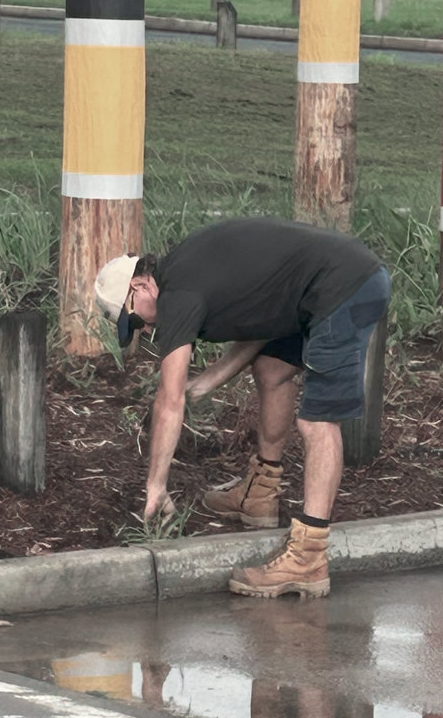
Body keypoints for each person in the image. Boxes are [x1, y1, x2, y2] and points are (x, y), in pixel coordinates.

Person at [92, 216, 391, 600]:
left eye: (135, 320)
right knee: (271, 370)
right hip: (324, 287)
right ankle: (260, 494)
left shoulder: (177, 293)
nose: (145, 331)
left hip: (346, 287)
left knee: (318, 422)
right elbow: (261, 322)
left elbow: (169, 401)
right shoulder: (189, 270)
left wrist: (156, 486)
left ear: (141, 285)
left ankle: (309, 556)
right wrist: (208, 381)